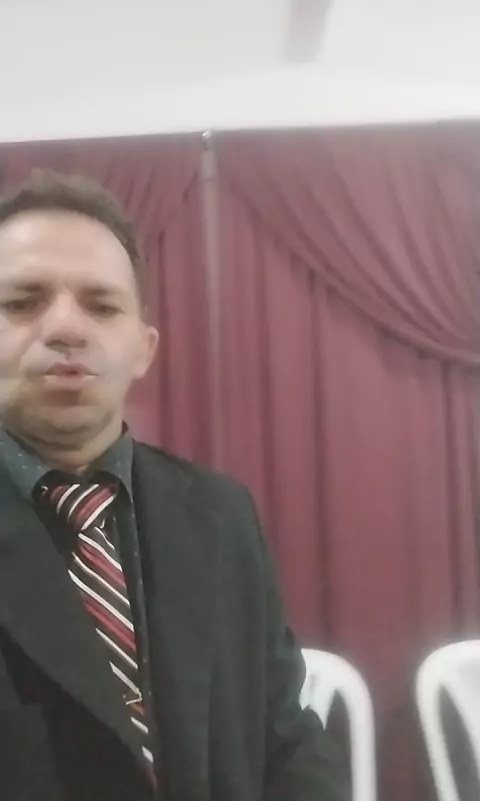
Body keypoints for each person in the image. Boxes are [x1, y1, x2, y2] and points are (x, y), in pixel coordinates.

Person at [0, 170, 348, 801]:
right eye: (22, 302)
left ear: (143, 348)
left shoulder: (222, 513)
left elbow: (286, 735)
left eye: (102, 305)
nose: (66, 327)